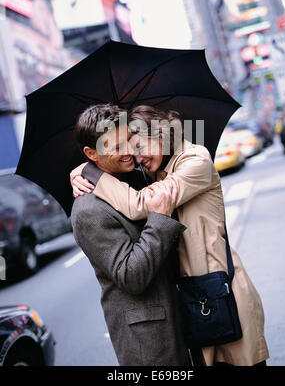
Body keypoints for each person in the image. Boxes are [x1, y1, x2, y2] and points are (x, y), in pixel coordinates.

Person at [71, 104, 269, 367]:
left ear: (159, 133)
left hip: (221, 292)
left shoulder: (193, 160)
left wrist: (89, 172)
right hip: (198, 302)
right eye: (122, 145)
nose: (133, 154)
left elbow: (143, 204)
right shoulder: (158, 171)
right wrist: (86, 170)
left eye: (136, 145)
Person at [70, 103, 191, 366]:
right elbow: (132, 276)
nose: (128, 152)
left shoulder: (138, 177)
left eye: (128, 140)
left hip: (182, 320)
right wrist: (159, 219)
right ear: (91, 153)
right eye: (115, 147)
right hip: (150, 344)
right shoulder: (88, 209)